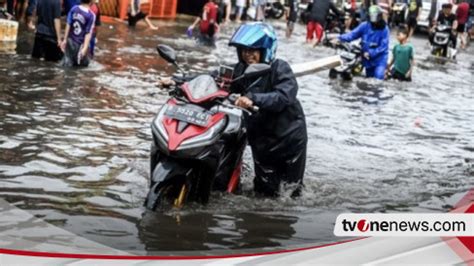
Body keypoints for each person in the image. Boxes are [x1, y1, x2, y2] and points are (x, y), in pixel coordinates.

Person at [228, 22, 308, 198]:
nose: (247, 55)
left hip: (288, 140)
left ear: (265, 50)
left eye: (252, 50)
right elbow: (218, 80)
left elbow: (284, 97)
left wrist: (253, 99)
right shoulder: (240, 70)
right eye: (244, 50)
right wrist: (184, 81)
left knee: (290, 193)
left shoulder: (280, 68)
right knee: (262, 192)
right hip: (261, 140)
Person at [336, 5, 390, 80]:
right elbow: (352, 35)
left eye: (375, 16)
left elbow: (383, 47)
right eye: (372, 16)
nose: (373, 19)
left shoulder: (385, 29)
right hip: (367, 59)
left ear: (379, 16)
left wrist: (371, 53)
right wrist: (339, 38)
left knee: (378, 77)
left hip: (379, 59)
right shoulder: (364, 25)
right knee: (369, 79)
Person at [60, 0, 96, 67]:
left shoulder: (74, 8)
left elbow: (68, 24)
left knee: (67, 63)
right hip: (80, 45)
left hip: (70, 41)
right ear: (91, 1)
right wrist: (85, 48)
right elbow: (88, 33)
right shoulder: (91, 15)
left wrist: (65, 39)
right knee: (81, 66)